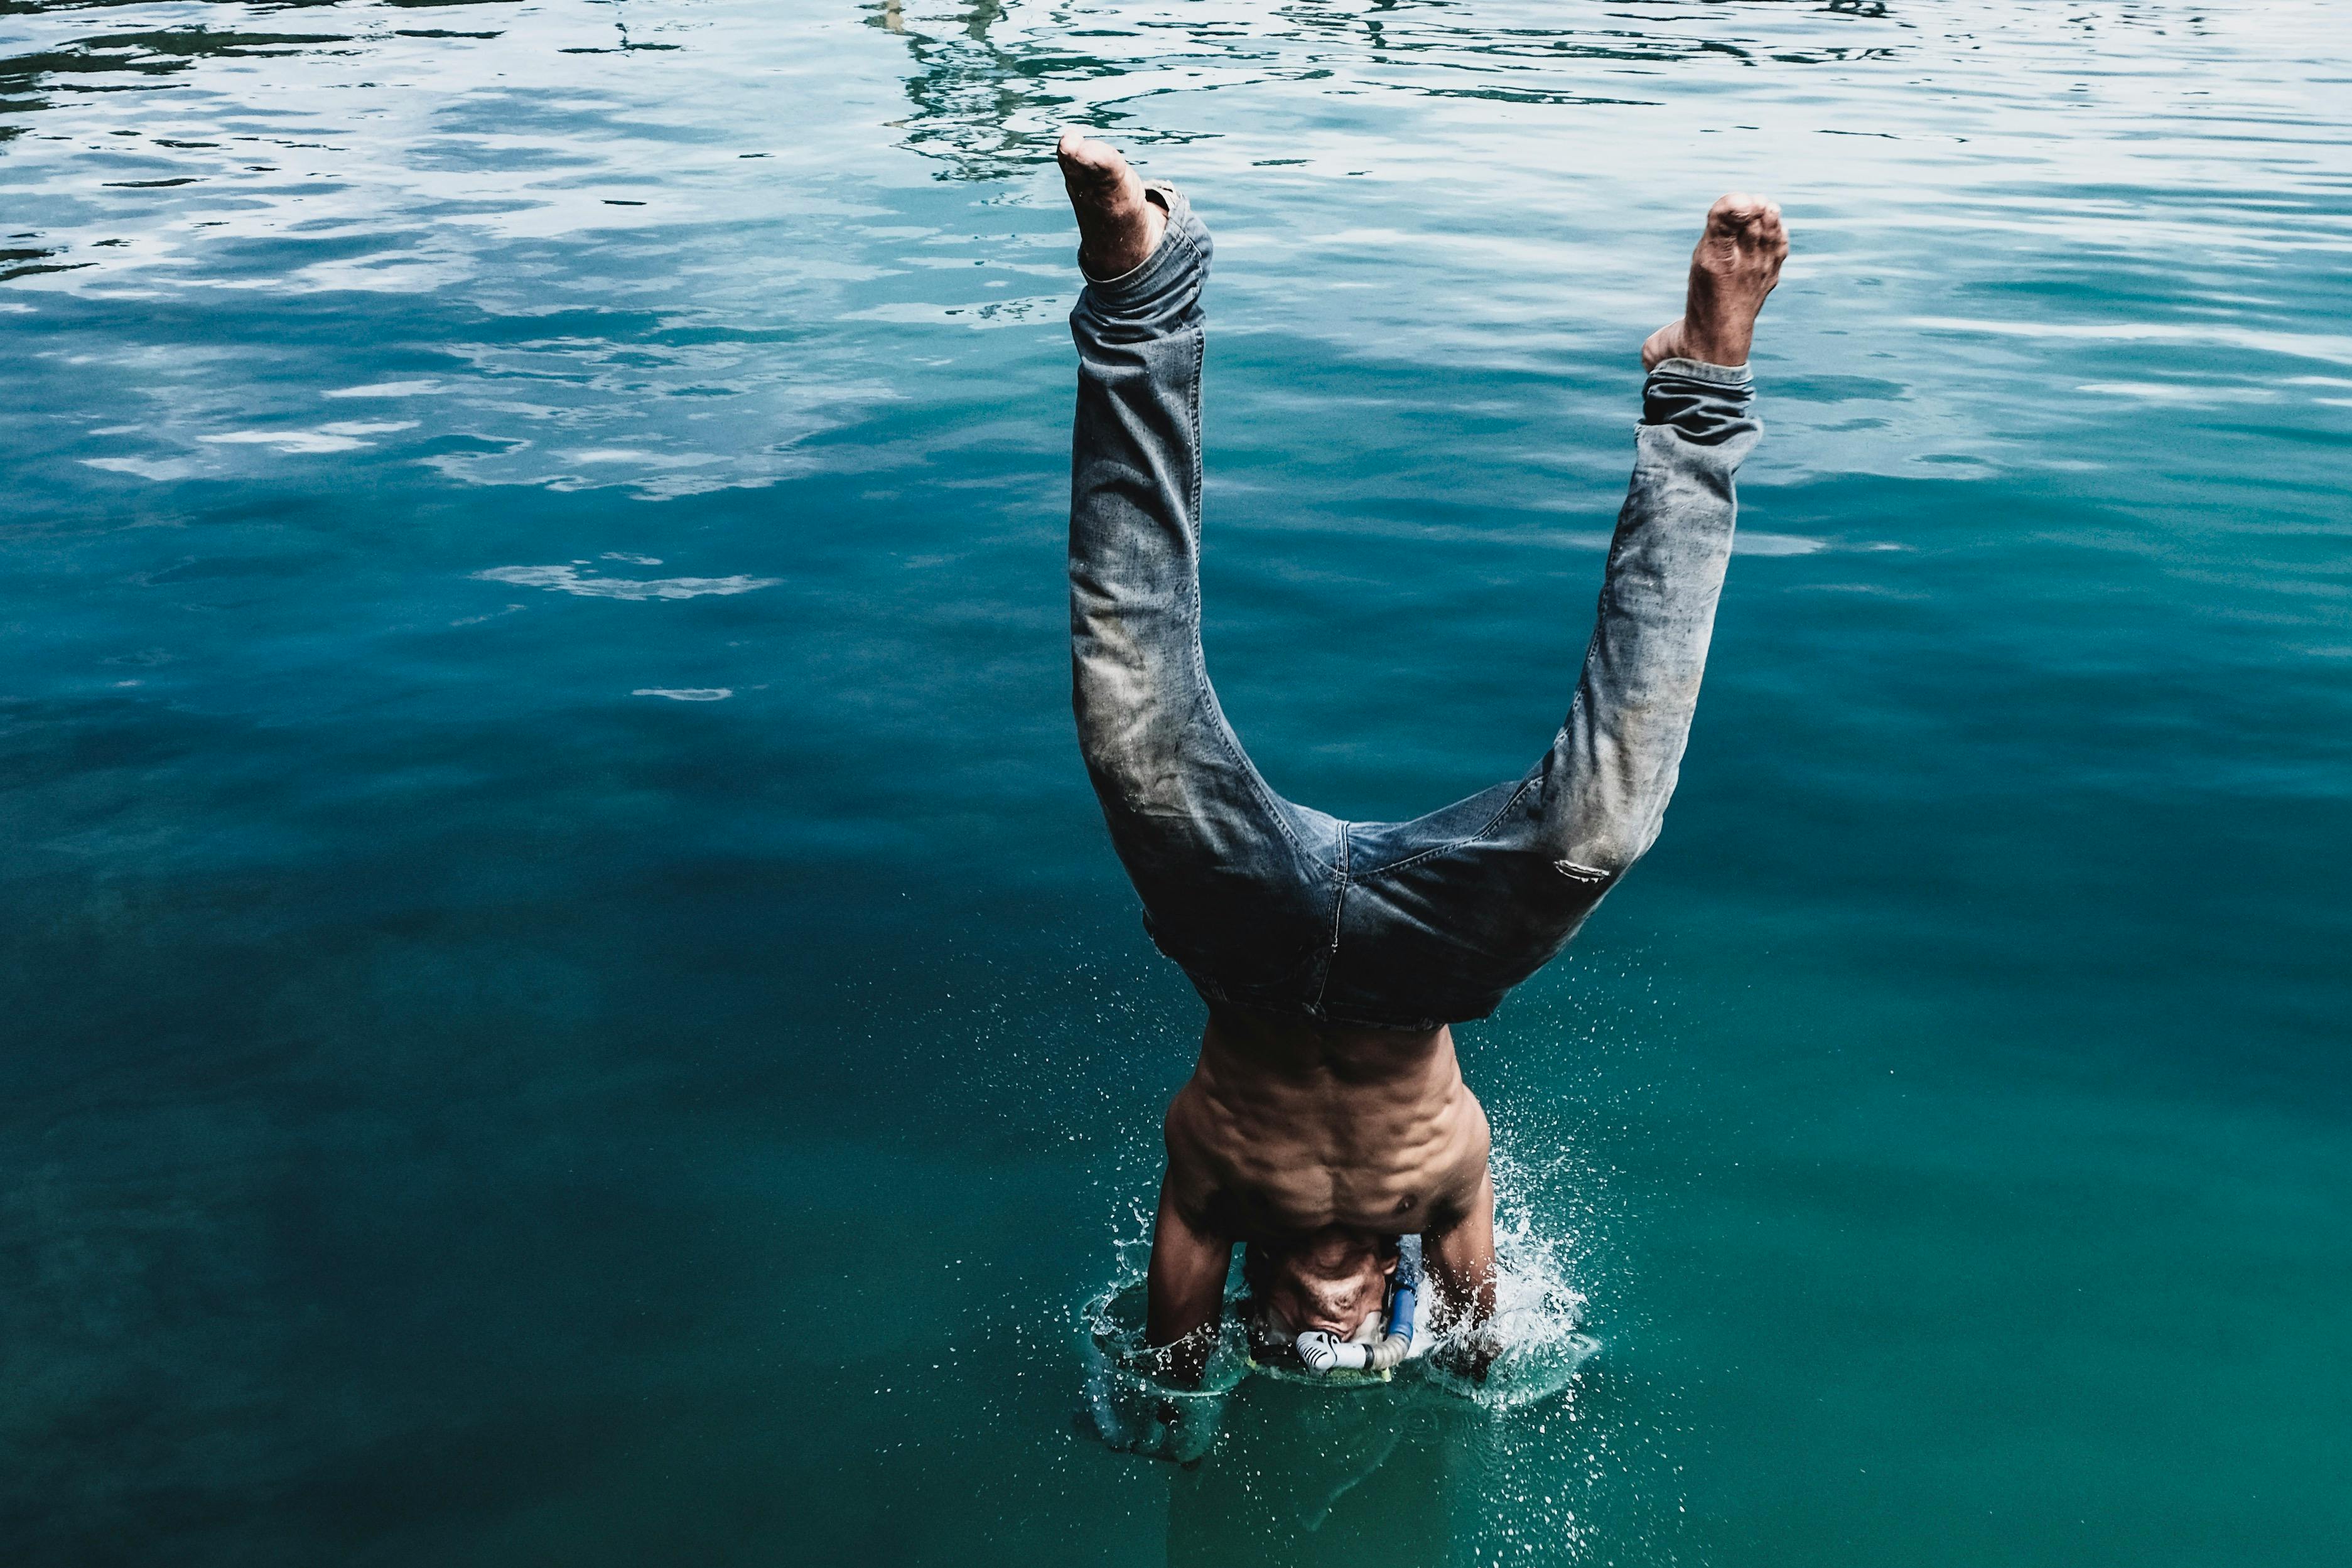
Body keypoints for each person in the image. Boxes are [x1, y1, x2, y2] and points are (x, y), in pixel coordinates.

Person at [1057, 131, 1786, 1382]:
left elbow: (1166, 1367)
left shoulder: (1211, 1192)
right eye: (1335, 1334)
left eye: (1290, 1333)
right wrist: (1478, 1373)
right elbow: (1479, 1350)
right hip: (1429, 964)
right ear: (1392, 1293)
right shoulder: (1443, 1206)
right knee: (1602, 829)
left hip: (1248, 948)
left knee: (1132, 739)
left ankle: (1140, 294)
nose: (1318, 1324)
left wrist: (1175, 1415)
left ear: (1250, 1299)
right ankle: (1700, 392)